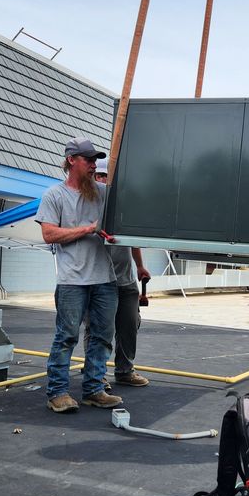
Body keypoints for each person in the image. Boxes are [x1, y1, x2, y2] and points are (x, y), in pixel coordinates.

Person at [36, 137, 123, 413]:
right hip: (72, 281)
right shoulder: (55, 195)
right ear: (72, 160)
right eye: (88, 160)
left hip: (104, 279)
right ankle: (57, 393)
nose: (93, 165)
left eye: (95, 160)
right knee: (66, 337)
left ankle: (94, 390)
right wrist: (89, 229)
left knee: (102, 337)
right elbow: (49, 234)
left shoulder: (103, 192)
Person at [84, 157, 151, 388]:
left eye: (106, 177)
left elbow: (132, 239)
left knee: (129, 325)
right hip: (100, 280)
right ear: (94, 178)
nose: (103, 180)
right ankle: (96, 375)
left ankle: (124, 370)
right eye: (100, 176)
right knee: (98, 329)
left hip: (126, 279)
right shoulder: (89, 206)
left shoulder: (122, 206)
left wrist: (140, 265)